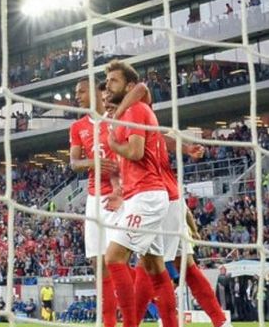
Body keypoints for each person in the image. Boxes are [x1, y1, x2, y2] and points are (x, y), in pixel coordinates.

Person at [112, 82, 232, 327]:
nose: (105, 96)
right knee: (182, 265)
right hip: (168, 197)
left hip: (160, 196)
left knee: (148, 265)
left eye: (111, 85)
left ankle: (135, 323)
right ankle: (221, 321)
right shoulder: (131, 121)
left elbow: (142, 88)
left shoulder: (133, 112)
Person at [103, 60, 177, 327]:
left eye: (114, 81)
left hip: (146, 197)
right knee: (155, 269)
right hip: (144, 195)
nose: (108, 85)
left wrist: (113, 143)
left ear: (129, 85)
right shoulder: (129, 113)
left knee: (113, 257)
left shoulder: (135, 109)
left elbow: (134, 152)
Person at [69, 78, 120, 327]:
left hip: (122, 195)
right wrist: (94, 163)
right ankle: (108, 321)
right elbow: (74, 163)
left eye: (81, 92)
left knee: (116, 260)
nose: (77, 96)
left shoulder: (116, 119)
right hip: (94, 197)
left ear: (98, 93)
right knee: (97, 262)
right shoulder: (78, 126)